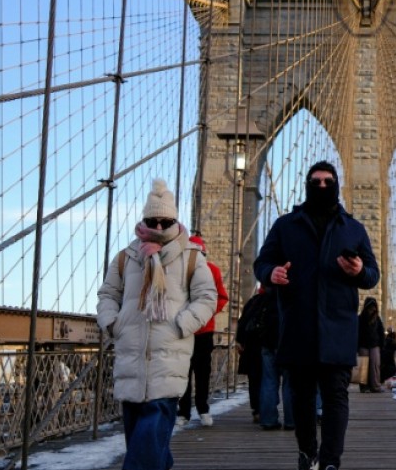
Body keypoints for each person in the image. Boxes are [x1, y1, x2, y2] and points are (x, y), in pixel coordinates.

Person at [254, 160, 380, 470]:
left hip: (337, 328)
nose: (322, 186)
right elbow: (262, 263)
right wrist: (272, 275)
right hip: (299, 326)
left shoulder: (354, 228)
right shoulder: (286, 225)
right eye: (316, 181)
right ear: (307, 183)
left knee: (336, 397)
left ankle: (330, 462)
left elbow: (372, 275)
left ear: (336, 185)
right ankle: (307, 452)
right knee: (302, 399)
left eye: (328, 181)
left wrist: (360, 270)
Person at [97, 178, 218, 470]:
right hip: (131, 367)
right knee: (148, 447)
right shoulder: (126, 258)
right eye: (153, 221)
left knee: (141, 457)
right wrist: (113, 324)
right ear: (144, 220)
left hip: (168, 367)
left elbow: (207, 297)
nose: (160, 228)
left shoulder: (191, 257)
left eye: (166, 221)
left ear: (175, 220)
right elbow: (108, 294)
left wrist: (181, 325)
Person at [177, 234, 229, 428]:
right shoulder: (179, 270)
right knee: (183, 372)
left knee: (202, 372)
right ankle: (184, 412)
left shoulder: (212, 270)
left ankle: (202, 409)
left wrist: (205, 313)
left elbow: (222, 297)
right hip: (183, 329)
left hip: (203, 330)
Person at [258, 285, 295, 430]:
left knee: (268, 381)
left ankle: (268, 419)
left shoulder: (266, 297)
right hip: (288, 341)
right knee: (290, 382)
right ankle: (291, 420)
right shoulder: (291, 295)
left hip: (268, 341)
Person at [236, 286, 268, 424]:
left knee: (255, 380)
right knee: (270, 379)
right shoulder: (277, 300)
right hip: (269, 344)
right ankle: (269, 412)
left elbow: (242, 322)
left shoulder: (253, 301)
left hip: (252, 346)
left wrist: (240, 341)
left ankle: (257, 410)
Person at [356, 296, 384, 393]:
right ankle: (364, 387)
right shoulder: (360, 319)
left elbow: (381, 332)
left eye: (374, 307)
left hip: (374, 345)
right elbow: (356, 333)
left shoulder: (377, 319)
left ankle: (375, 386)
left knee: (375, 366)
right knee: (363, 366)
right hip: (363, 345)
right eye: (370, 307)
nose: (372, 309)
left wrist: (382, 345)